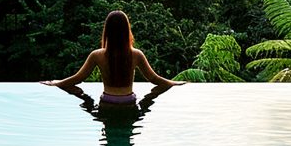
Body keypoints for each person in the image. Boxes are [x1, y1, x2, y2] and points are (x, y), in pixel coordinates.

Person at [41, 10, 184, 104]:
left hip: (107, 101)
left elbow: (78, 79)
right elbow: (154, 79)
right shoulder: (136, 54)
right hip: (129, 101)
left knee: (90, 107)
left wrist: (57, 83)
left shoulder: (97, 55)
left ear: (107, 31)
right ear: (126, 30)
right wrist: (174, 83)